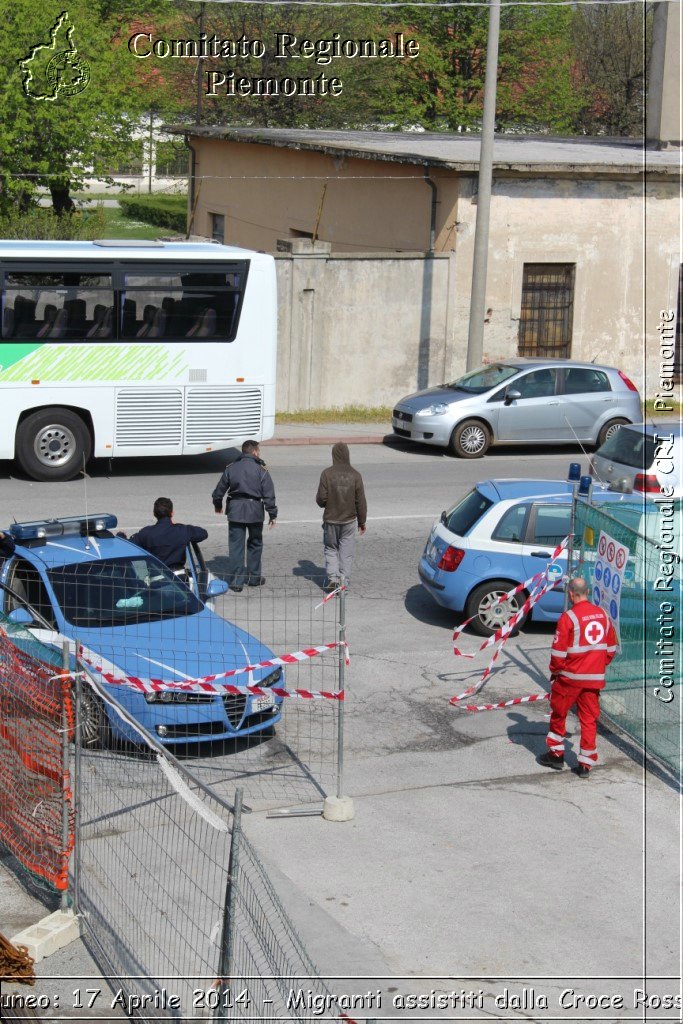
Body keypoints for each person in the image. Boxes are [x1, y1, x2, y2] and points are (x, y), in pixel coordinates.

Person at [538, 576, 617, 778]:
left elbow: (558, 653)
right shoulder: (603, 615)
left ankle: (556, 755)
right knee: (589, 719)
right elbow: (611, 648)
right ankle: (585, 765)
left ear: (571, 594)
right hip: (594, 679)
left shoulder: (568, 618)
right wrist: (598, 665)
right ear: (588, 592)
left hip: (569, 678)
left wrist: (556, 671)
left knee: (559, 713)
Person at [212, 440, 277, 592]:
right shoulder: (261, 470)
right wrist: (272, 514)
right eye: (258, 451)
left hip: (235, 511)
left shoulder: (231, 468)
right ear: (254, 452)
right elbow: (269, 495)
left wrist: (218, 505)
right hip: (254, 511)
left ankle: (237, 581)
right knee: (255, 544)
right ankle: (254, 578)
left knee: (236, 547)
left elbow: (219, 491)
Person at [315, 443, 367, 593]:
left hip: (330, 519)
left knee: (331, 549)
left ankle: (333, 579)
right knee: (346, 552)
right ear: (347, 455)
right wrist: (362, 521)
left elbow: (321, 500)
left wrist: (327, 503)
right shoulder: (355, 475)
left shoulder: (326, 473)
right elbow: (361, 501)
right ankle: (343, 583)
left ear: (333, 456)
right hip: (349, 520)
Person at [124, 497, 208, 575]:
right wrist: (180, 526)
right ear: (172, 513)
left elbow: (128, 545)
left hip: (156, 578)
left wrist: (121, 535)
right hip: (179, 578)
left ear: (154, 514)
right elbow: (203, 533)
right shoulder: (182, 530)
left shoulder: (146, 533)